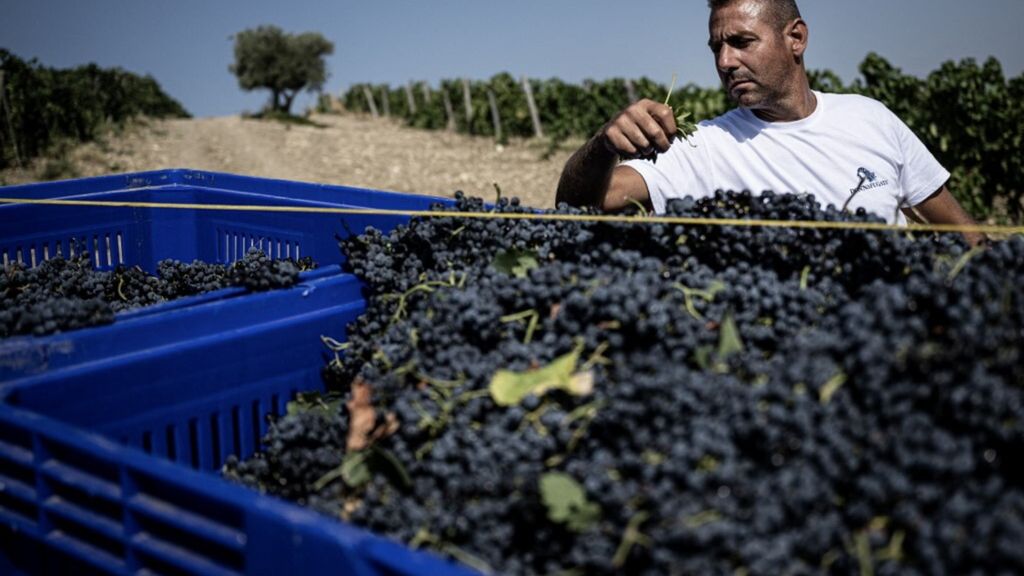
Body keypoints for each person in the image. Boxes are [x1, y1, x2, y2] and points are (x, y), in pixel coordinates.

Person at [555, 0, 985, 246]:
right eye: (716, 48)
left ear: (795, 38)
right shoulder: (704, 146)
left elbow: (964, 235)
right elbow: (581, 207)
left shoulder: (870, 117)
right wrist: (602, 147)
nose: (725, 62)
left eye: (741, 43)